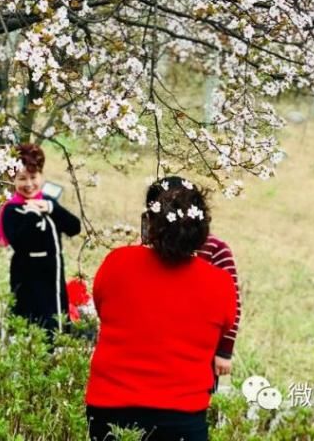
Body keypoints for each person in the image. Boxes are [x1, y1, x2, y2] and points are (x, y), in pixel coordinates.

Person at [86, 181, 236, 441]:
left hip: (109, 407)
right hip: (182, 415)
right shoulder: (220, 284)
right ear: (202, 230)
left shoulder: (117, 263)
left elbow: (103, 308)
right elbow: (224, 327)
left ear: (151, 223)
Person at [145, 176, 241, 386]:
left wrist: (224, 351)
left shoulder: (216, 249)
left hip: (203, 350)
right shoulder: (148, 252)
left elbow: (232, 304)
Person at [0, 142, 82, 338]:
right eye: (22, 179)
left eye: (33, 177)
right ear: (13, 180)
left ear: (41, 176)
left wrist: (52, 209)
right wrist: (31, 214)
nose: (29, 184)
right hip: (25, 275)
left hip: (51, 275)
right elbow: (18, 241)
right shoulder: (11, 210)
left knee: (53, 322)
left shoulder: (48, 203)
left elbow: (74, 227)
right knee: (28, 324)